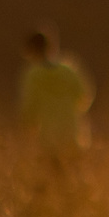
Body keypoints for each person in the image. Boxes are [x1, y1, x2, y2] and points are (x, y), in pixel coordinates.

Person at [18, 29, 92, 161]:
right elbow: (84, 97)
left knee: (54, 175)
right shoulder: (69, 70)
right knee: (72, 175)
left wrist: (26, 127)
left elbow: (29, 109)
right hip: (72, 134)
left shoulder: (33, 75)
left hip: (48, 138)